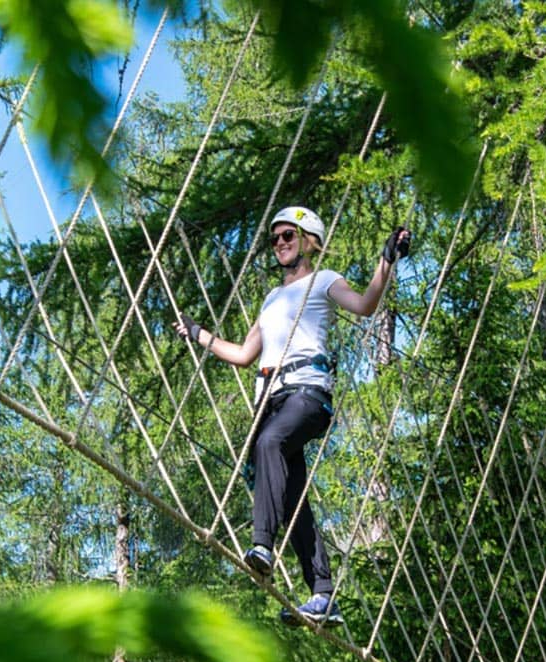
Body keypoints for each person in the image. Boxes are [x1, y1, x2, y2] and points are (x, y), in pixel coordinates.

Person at [174, 207, 409, 624]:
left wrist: (386, 260)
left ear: (308, 240)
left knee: (270, 442)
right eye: (276, 238)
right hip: (275, 399)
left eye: (288, 236)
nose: (280, 243)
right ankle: (322, 593)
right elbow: (245, 355)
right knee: (292, 500)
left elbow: (366, 304)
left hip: (307, 394)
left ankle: (262, 543)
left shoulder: (324, 281)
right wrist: (200, 335)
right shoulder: (271, 298)